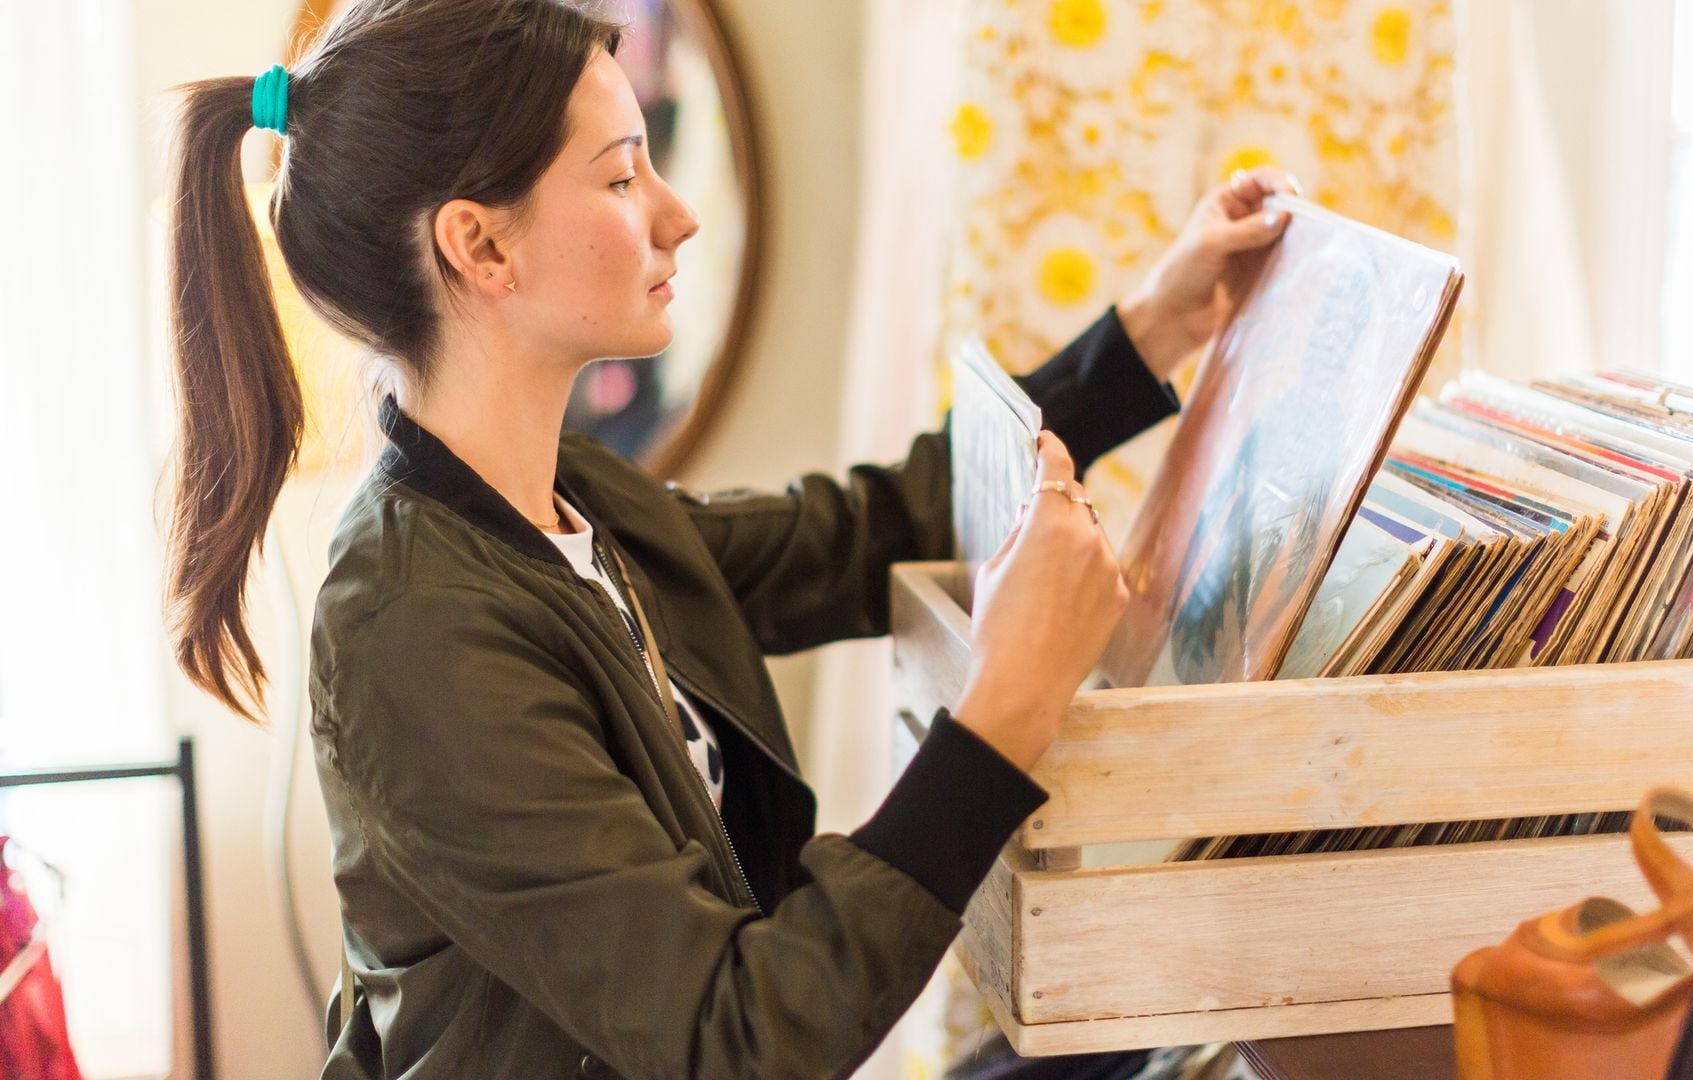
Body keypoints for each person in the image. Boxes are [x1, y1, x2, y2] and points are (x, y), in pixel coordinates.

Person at [159, 1, 1294, 1075]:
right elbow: (732, 1045)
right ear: (480, 250)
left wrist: (1151, 330)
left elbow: (854, 537)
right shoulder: (414, 634)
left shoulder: (567, 502)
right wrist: (1004, 714)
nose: (677, 212)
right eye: (620, 175)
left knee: (1158, 1045)